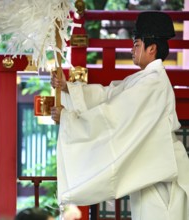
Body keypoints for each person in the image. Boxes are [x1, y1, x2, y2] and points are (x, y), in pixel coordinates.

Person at [51, 11, 189, 220]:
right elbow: (109, 95)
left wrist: (70, 119)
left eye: (136, 44)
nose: (132, 49)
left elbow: (113, 115)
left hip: (162, 172)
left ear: (151, 49)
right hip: (153, 168)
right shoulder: (144, 79)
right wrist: (68, 88)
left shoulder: (153, 83)